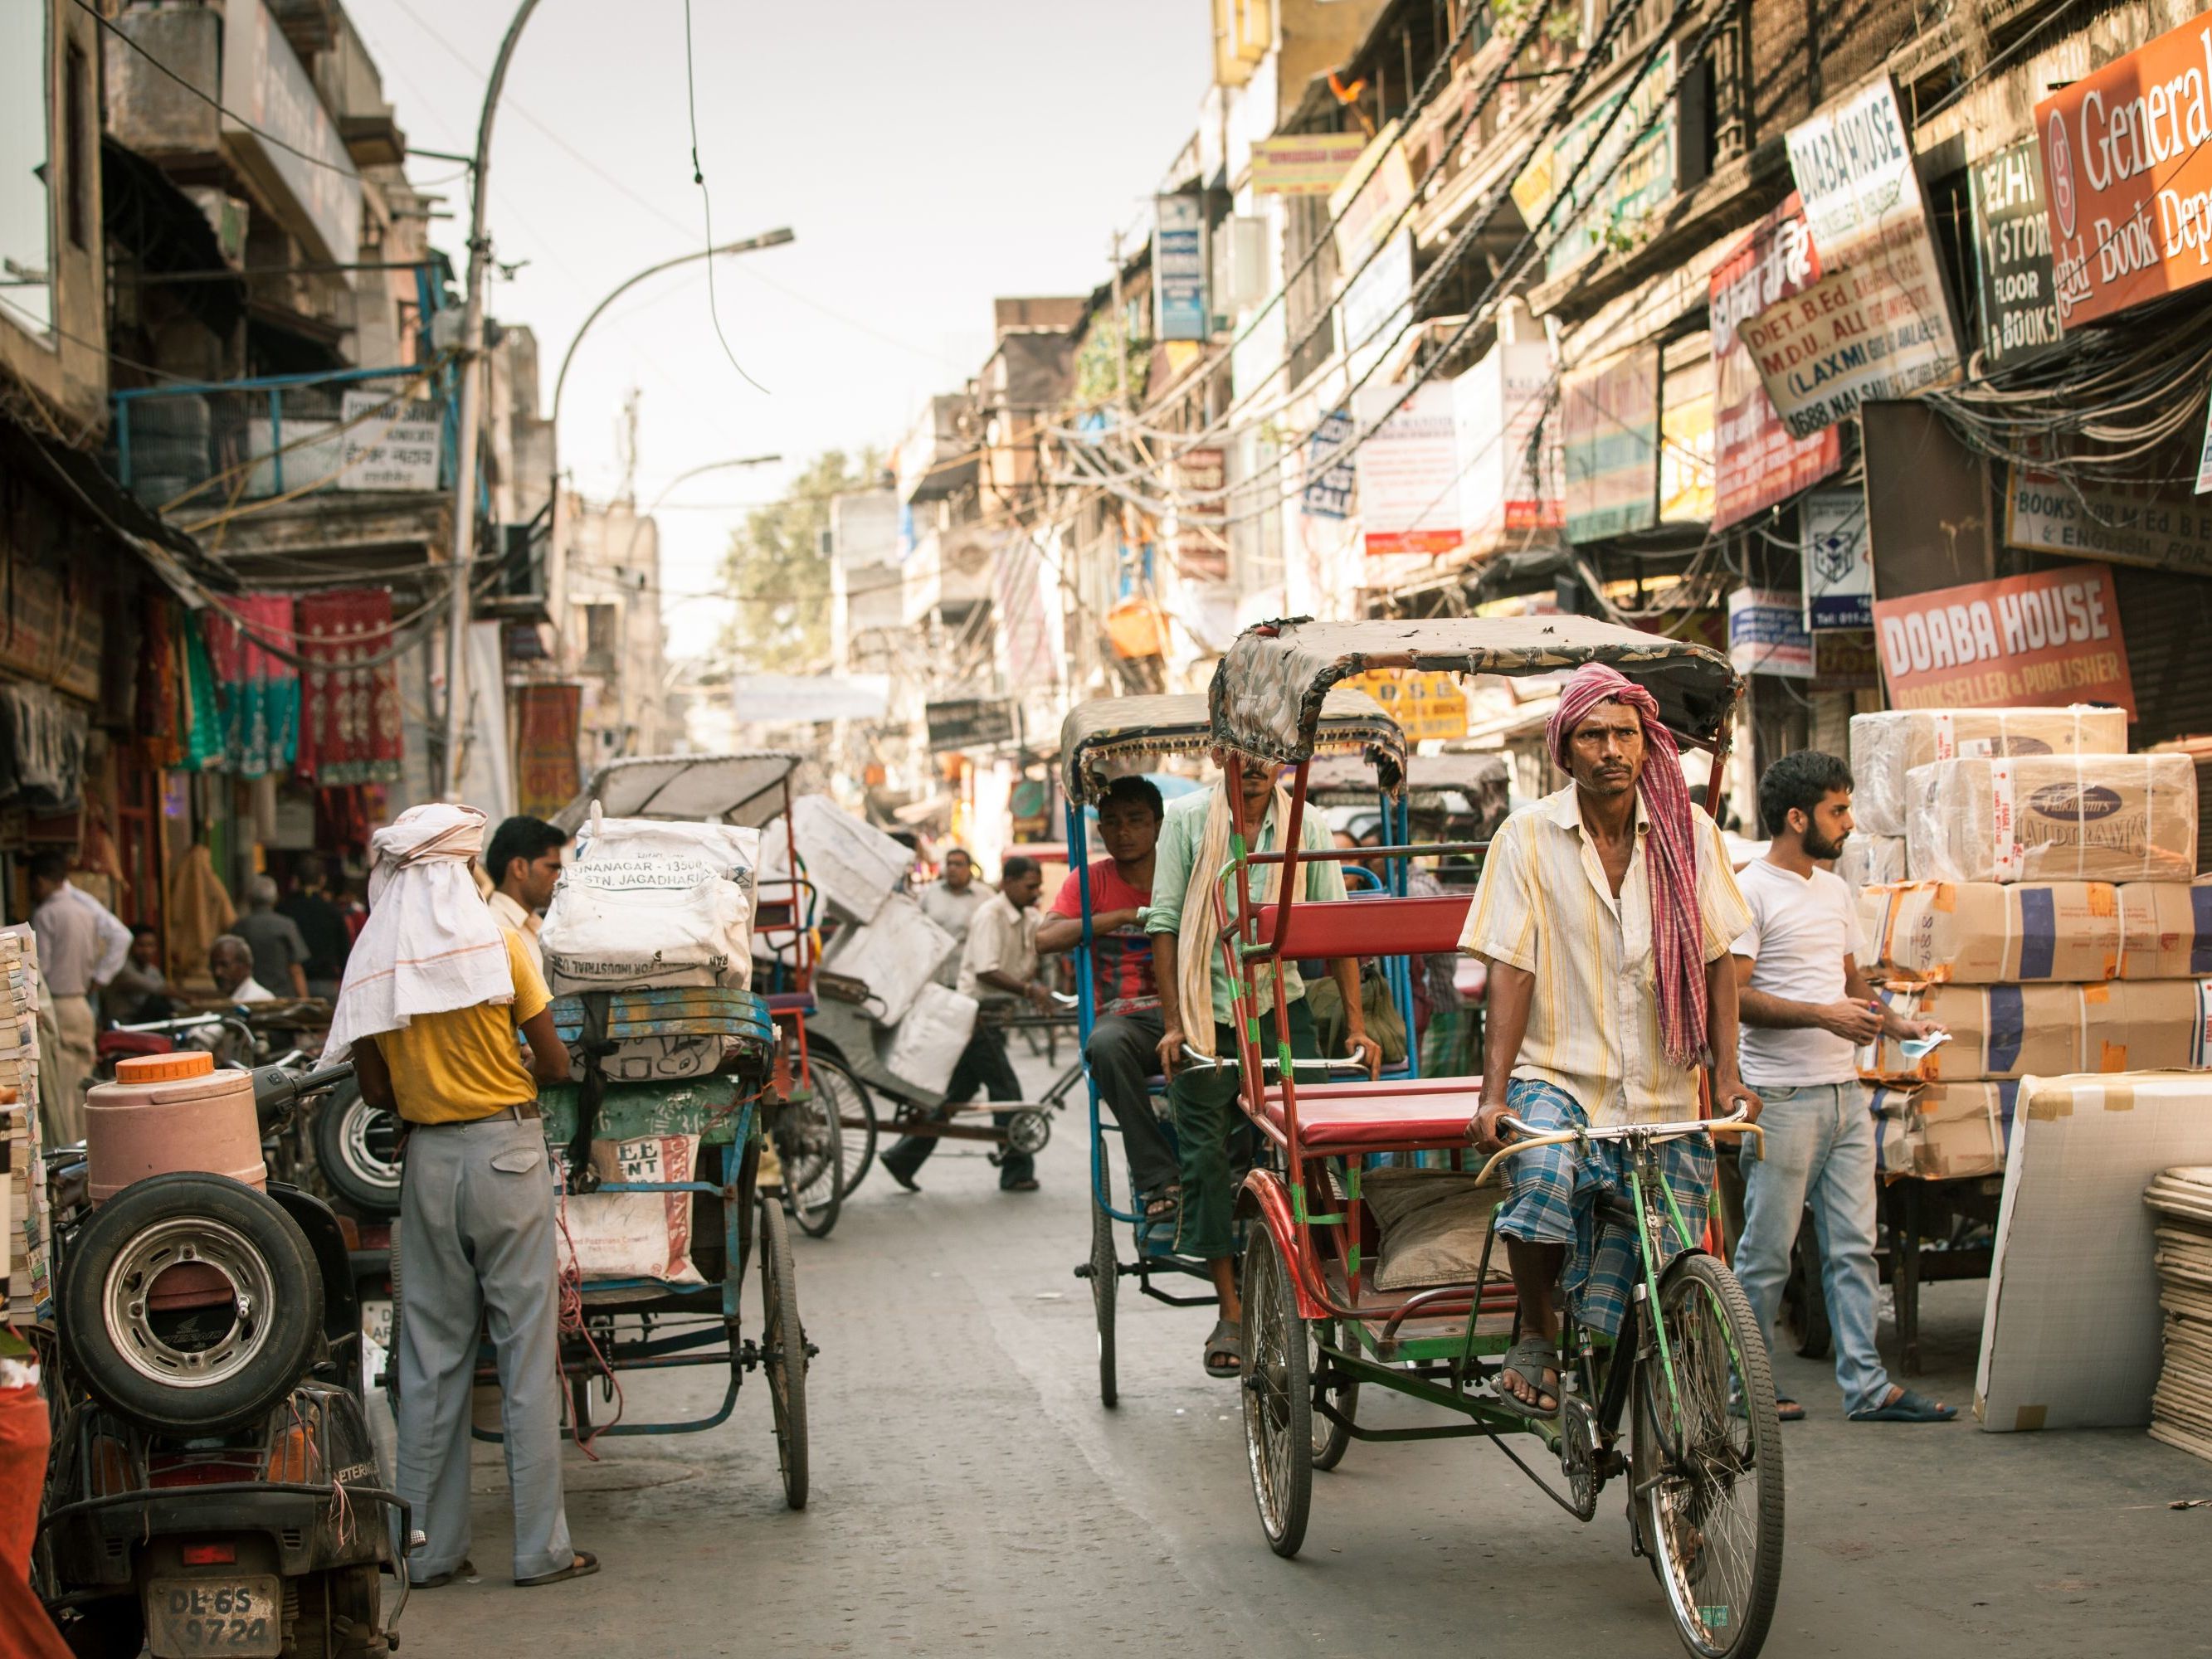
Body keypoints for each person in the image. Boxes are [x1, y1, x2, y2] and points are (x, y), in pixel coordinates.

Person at [1462, 662, 1761, 1418]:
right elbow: (1512, 968)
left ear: (1646, 742)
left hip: (1660, 1085)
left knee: (1667, 1266)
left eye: (1624, 733)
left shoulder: (1688, 831)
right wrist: (1494, 1094)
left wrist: (1727, 1078)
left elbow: (1720, 957)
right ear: (1566, 750)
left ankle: (1656, 1427)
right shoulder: (1527, 837)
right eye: (1592, 735)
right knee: (1540, 1170)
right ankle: (1534, 1328)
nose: (1610, 750)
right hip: (1559, 1072)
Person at [327, 804, 592, 1590]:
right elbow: (554, 1067)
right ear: (466, 868)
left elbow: (373, 1087)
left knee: (431, 1361)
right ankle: (540, 1549)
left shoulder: (378, 962)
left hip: (429, 1165)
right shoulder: (501, 943)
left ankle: (429, 1551)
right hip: (507, 1157)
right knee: (523, 1357)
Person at [1732, 750, 1957, 1423]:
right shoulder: (1750, 891)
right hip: (1783, 1099)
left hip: (1843, 1096)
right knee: (1768, 1254)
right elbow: (1737, 997)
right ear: (1798, 817)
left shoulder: (1833, 891)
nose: (1850, 822)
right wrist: (1822, 1015)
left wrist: (1898, 1022)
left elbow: (1849, 984)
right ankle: (1744, 1386)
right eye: (1838, 810)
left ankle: (1868, 1387)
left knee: (1855, 1249)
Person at [1151, 754, 1381, 1379]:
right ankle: (1230, 1309)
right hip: (1209, 1010)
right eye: (1241, 752)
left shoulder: (1306, 823)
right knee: (1202, 1159)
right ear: (1222, 752)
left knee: (1319, 1147)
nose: (1252, 766)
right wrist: (1176, 1023)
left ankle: (1331, 1282)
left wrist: (1356, 1026)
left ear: (1281, 759)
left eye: (1265, 753)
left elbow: (1335, 931)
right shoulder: (1186, 820)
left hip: (1284, 1010)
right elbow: (1167, 924)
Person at [1035, 777, 1177, 1224]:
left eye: (1136, 821)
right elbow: (1045, 938)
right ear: (1100, 832)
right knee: (1105, 1046)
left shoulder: (1184, 872)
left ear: (1157, 824)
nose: (1124, 833)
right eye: (1112, 823)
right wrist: (1118, 917)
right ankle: (1158, 1179)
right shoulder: (1090, 882)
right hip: (1126, 1022)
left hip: (1185, 1010)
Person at [881, 855, 1052, 1194]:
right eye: (1030, 886)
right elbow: (986, 970)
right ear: (1009, 883)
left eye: (1037, 886)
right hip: (977, 1015)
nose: (1036, 892)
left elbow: (1040, 944)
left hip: (993, 1015)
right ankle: (1016, 1170)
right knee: (1007, 1092)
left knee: (959, 1091)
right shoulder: (991, 914)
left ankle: (904, 1156)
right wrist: (1030, 990)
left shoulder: (1027, 916)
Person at [27, 850, 130, 1146]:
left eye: (34, 885)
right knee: (81, 1082)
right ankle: (87, 1147)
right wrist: (98, 978)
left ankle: (68, 1151)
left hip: (58, 1005)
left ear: (43, 881)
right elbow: (118, 939)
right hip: (82, 1005)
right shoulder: (85, 911)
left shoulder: (46, 913)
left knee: (61, 1089)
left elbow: (40, 969)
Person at [485, 815, 568, 942]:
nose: (558, 879)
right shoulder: (493, 931)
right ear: (519, 868)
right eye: (552, 868)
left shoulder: (538, 925)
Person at [917, 846, 992, 986]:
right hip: (933, 977)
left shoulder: (985, 896)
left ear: (969, 868)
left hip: (968, 979)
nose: (952, 868)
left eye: (958, 864)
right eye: (949, 864)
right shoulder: (931, 893)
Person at [280, 864, 353, 1000]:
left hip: (292, 985)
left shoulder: (284, 909)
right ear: (322, 880)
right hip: (326, 983)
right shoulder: (332, 911)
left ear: (296, 880)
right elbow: (344, 951)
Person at [232, 874, 310, 1000]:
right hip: (283, 999)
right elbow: (296, 969)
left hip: (248, 998)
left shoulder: (239, 927)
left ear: (249, 899)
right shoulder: (286, 925)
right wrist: (304, 999)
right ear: (274, 899)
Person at [105, 924, 172, 1023]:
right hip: (125, 1023)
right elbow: (157, 989)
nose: (146, 951)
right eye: (141, 945)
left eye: (150, 945)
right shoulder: (122, 968)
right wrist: (188, 998)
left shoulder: (152, 971)